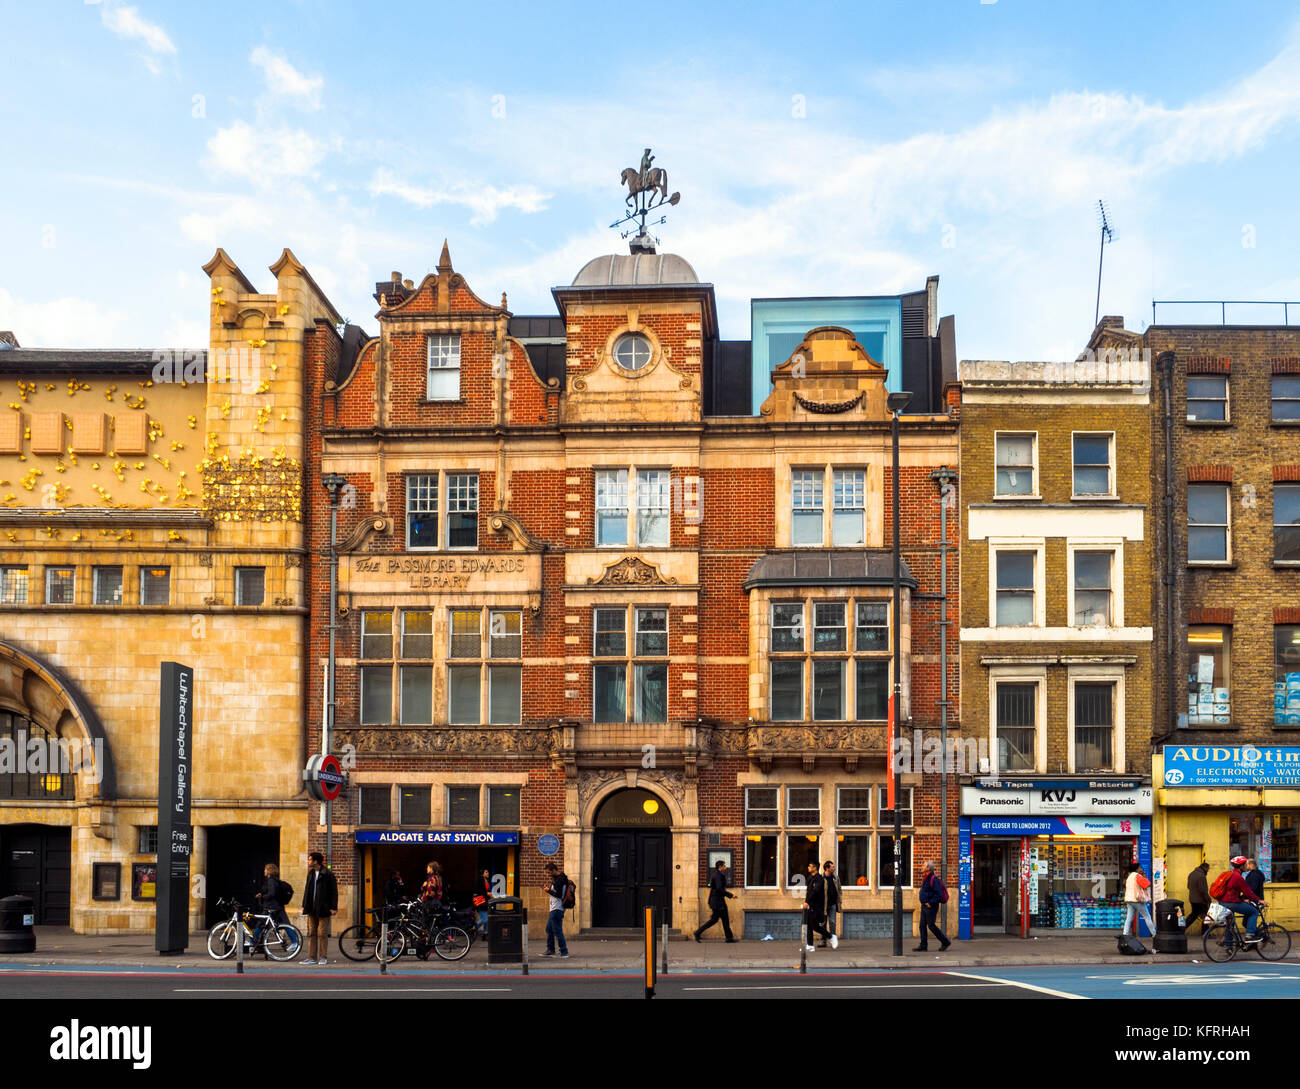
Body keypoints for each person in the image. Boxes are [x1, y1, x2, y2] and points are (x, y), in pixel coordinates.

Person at [299, 852, 337, 966]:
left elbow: (334, 892)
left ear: (316, 861)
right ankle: (311, 957)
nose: (308, 862)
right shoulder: (310, 873)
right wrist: (304, 905)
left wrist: (333, 907)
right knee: (311, 933)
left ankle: (323, 957)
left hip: (323, 908)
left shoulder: (328, 874)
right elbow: (307, 890)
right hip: (311, 907)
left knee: (322, 933)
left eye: (310, 860)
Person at [1219, 856, 1266, 942]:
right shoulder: (1238, 877)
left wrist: (1242, 899)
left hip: (1223, 902)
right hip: (1231, 902)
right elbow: (1248, 892)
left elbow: (1231, 890)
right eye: (1245, 864)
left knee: (1230, 923)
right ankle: (1250, 935)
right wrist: (1259, 900)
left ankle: (1228, 946)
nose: (1246, 866)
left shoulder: (1230, 874)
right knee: (1254, 912)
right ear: (1241, 866)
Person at [694, 860, 737, 942]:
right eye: (724, 866)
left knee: (720, 920)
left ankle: (729, 938)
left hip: (717, 901)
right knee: (721, 920)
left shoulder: (718, 874)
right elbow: (719, 888)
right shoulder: (717, 876)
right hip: (718, 902)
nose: (725, 867)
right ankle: (697, 933)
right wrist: (731, 895)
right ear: (720, 867)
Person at [915, 861, 951, 952]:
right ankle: (923, 946)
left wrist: (930, 903)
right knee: (922, 925)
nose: (922, 867)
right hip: (924, 905)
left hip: (930, 906)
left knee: (931, 925)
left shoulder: (933, 879)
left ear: (928, 868)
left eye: (924, 865)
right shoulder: (926, 877)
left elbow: (938, 894)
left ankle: (945, 942)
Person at [802, 861, 836, 951]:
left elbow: (815, 892)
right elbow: (808, 892)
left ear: (815, 868)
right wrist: (806, 902)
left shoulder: (819, 879)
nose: (808, 867)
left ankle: (830, 936)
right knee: (809, 925)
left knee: (814, 926)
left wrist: (807, 902)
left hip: (817, 906)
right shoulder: (810, 878)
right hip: (810, 905)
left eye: (810, 866)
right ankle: (810, 945)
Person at [541, 862, 570, 959]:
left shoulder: (560, 880)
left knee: (557, 931)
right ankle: (550, 950)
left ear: (553, 870)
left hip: (557, 908)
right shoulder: (559, 879)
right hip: (554, 908)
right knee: (549, 929)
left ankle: (564, 952)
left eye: (549, 872)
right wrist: (550, 889)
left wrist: (548, 890)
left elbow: (558, 895)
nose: (548, 874)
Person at [1122, 862, 1155, 938]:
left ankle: (1125, 935)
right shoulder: (1137, 876)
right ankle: (1154, 934)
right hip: (1137, 900)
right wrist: (1144, 875)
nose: (1141, 868)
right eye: (1139, 867)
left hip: (1129, 900)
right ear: (1137, 869)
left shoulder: (1129, 877)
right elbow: (1147, 884)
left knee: (1129, 918)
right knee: (1147, 917)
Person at [1186, 861, 1211, 934]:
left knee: (1194, 915)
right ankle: (1205, 933)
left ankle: (1182, 928)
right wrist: (1208, 899)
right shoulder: (1201, 876)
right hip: (1200, 900)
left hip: (1192, 899)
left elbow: (1188, 886)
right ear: (1205, 867)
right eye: (1208, 869)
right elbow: (1203, 890)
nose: (1208, 871)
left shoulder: (1191, 874)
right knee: (1205, 916)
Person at [821, 861, 842, 947]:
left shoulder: (835, 877)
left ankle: (833, 939)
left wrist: (839, 900)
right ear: (827, 868)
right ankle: (823, 940)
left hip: (833, 904)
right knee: (823, 923)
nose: (834, 868)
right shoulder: (821, 878)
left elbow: (839, 889)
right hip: (823, 905)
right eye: (832, 867)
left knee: (832, 922)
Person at [474, 869, 493, 939]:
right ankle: (474, 928)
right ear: (482, 873)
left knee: (486, 918)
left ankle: (485, 934)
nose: (488, 873)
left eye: (488, 872)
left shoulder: (486, 881)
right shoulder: (480, 880)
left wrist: (490, 895)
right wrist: (489, 894)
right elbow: (481, 891)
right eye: (486, 872)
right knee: (485, 919)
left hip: (485, 902)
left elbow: (487, 891)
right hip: (480, 902)